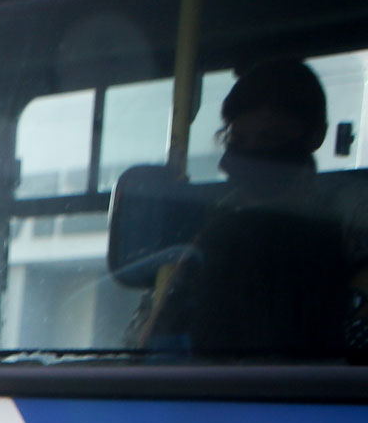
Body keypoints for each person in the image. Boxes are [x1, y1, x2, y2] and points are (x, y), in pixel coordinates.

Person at [142, 59, 368, 358]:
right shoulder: (218, 218)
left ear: (315, 136)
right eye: (238, 140)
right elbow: (155, 334)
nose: (252, 155)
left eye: (269, 138)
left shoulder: (349, 212)